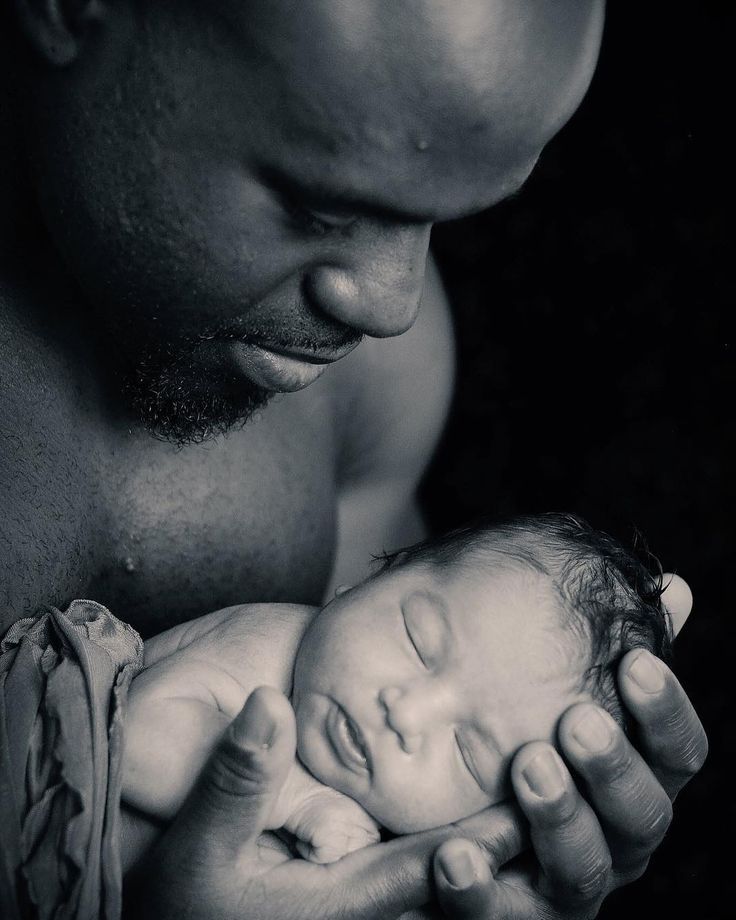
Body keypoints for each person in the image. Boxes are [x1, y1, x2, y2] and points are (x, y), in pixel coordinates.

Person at [0, 1, 707, 918]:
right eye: (324, 204)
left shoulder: (373, 380)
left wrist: (492, 858)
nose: (392, 306)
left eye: (446, 215)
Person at [122, 513, 693, 868]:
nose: (407, 712)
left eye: (469, 752)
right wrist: (294, 800)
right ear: (368, 580)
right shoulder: (269, 650)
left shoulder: (394, 840)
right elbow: (132, 739)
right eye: (416, 642)